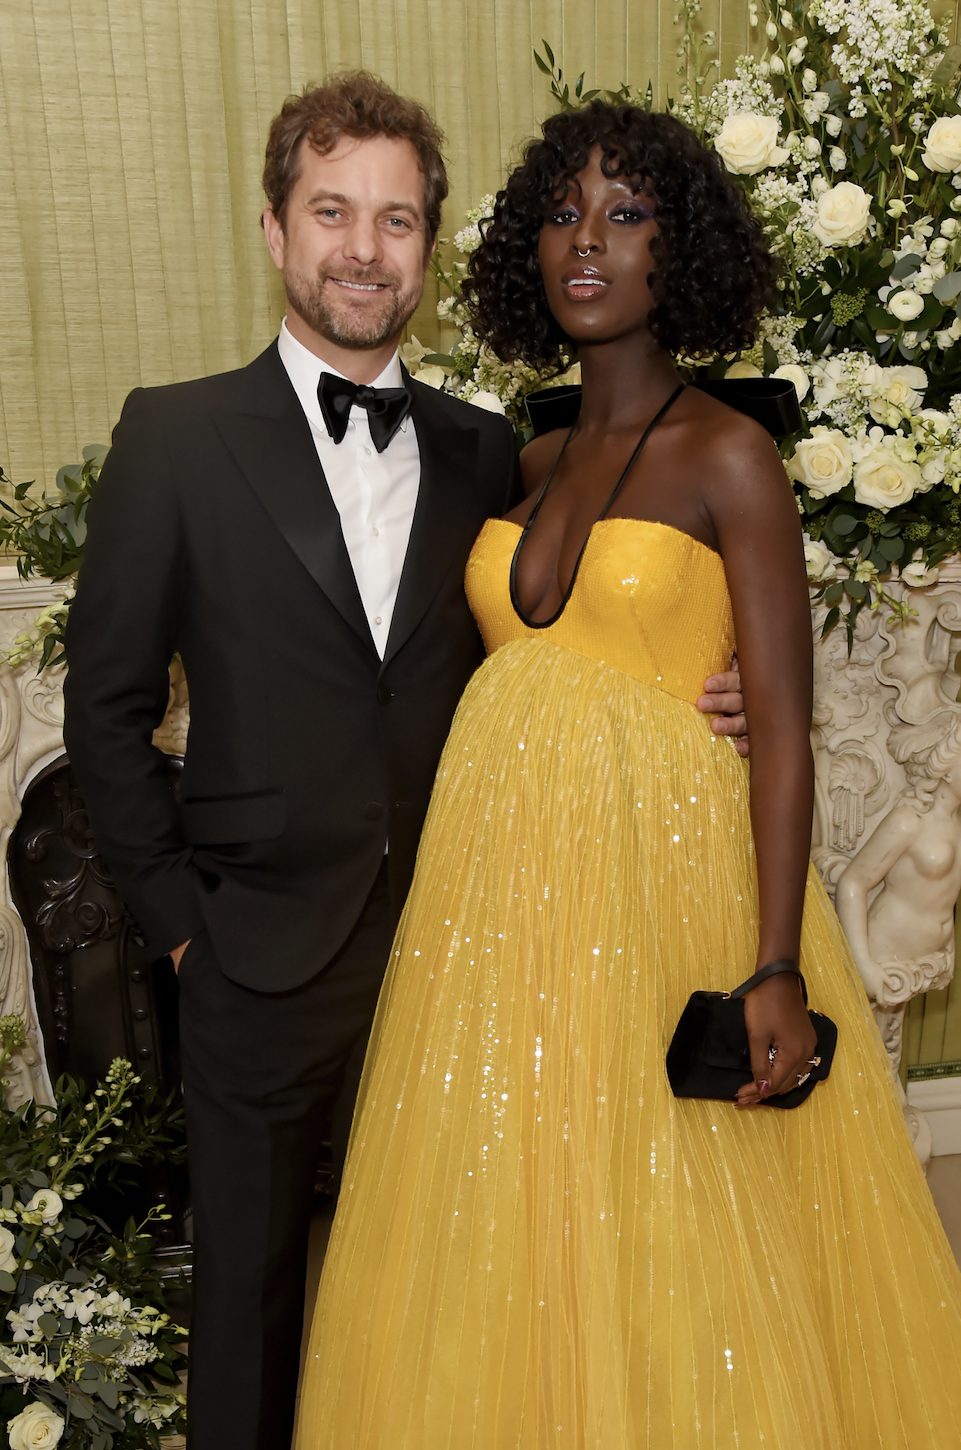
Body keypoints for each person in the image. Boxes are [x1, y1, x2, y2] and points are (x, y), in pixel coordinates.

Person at [61, 74, 749, 1450]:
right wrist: (186, 934)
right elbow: (106, 713)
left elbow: (544, 636)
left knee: (468, 1300)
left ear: (429, 250)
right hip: (251, 955)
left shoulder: (489, 447)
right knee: (248, 1323)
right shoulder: (175, 437)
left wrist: (690, 690)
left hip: (475, 942)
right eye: (332, 212)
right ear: (272, 229)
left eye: (394, 218)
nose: (362, 249)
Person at [296, 102, 961, 1447]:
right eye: (558, 215)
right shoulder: (524, 462)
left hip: (667, 894)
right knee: (520, 1225)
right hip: (501, 920)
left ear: (683, 248)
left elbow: (779, 723)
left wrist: (774, 962)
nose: (585, 242)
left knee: (686, 1227)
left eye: (625, 214)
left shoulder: (729, 455)